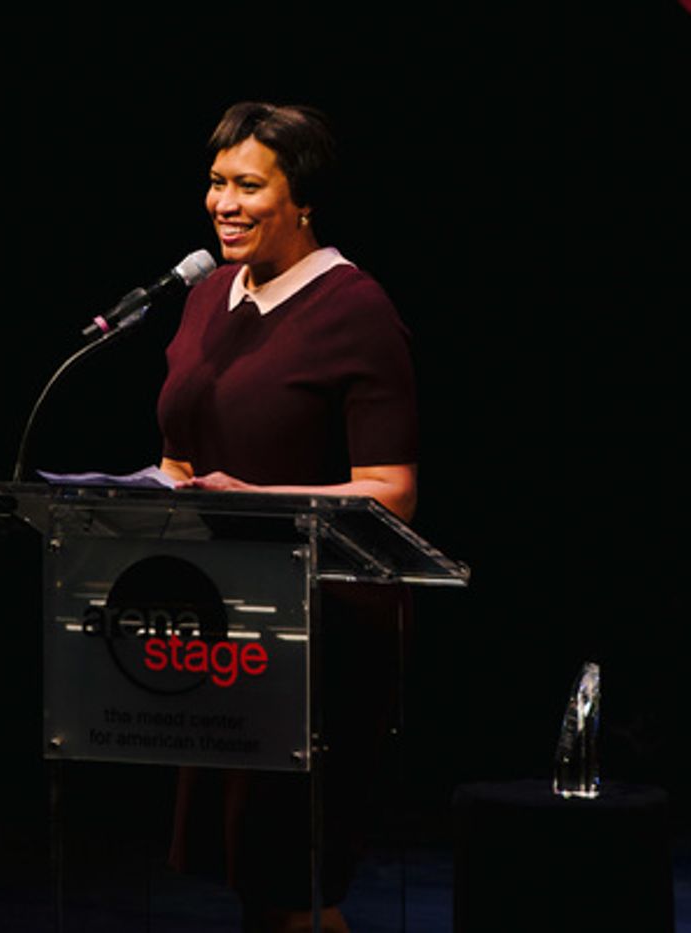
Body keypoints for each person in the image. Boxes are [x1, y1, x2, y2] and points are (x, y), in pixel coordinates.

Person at [156, 101, 418, 933]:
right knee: (252, 878)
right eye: (214, 182)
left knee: (290, 884)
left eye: (246, 185)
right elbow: (183, 455)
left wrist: (254, 502)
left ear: (300, 197)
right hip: (221, 622)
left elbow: (390, 491)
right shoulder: (205, 297)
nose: (221, 203)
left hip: (322, 633)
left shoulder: (355, 307)